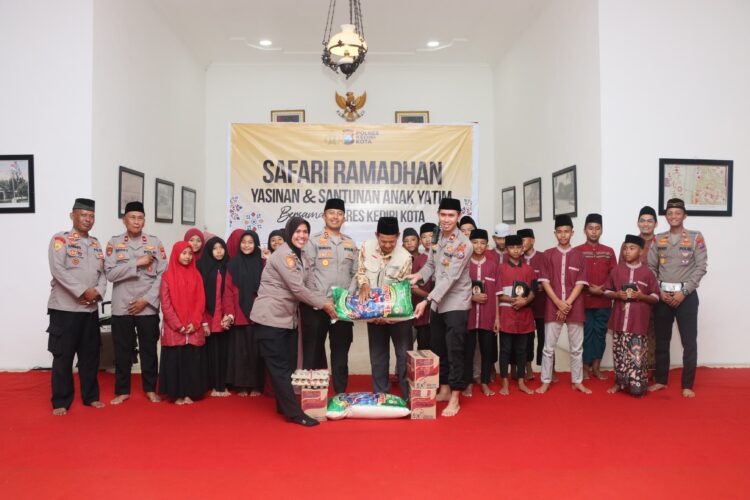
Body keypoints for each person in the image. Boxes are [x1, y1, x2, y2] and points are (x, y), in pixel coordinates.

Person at [249, 217, 337, 426]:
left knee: (288, 366)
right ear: (289, 233)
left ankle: (283, 406)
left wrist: (331, 301)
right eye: (298, 231)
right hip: (270, 319)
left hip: (287, 320)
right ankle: (294, 413)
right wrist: (325, 305)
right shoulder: (283, 255)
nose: (302, 235)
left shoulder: (303, 255)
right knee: (280, 368)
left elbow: (310, 286)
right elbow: (297, 289)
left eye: (305, 232)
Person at [408, 198, 472, 417]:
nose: (446, 219)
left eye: (451, 215)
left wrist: (427, 300)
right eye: (443, 215)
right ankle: (444, 389)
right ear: (438, 214)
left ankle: (455, 396)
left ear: (458, 217)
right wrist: (418, 276)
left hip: (456, 301)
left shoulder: (464, 244)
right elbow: (430, 264)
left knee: (455, 350)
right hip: (438, 301)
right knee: (439, 348)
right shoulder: (436, 234)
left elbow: (450, 278)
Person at [46, 198, 107, 416]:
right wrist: (82, 291)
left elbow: (103, 273)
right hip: (65, 310)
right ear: (72, 216)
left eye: (91, 216)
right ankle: (61, 400)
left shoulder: (95, 244)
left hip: (89, 310)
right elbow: (58, 270)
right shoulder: (60, 240)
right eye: (83, 215)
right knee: (63, 356)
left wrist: (97, 292)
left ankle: (91, 396)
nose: (88, 219)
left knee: (90, 355)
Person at [105, 201, 167, 405]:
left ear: (144, 221)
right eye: (132, 217)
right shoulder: (115, 243)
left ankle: (150, 389)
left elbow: (163, 275)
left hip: (147, 306)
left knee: (149, 350)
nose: (136, 221)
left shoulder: (154, 243)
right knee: (122, 350)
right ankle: (122, 391)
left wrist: (146, 300)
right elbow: (110, 274)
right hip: (122, 305)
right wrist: (136, 263)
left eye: (140, 218)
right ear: (124, 220)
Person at [647, 198, 708, 398]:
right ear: (666, 216)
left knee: (689, 342)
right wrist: (659, 291)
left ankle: (687, 384)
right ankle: (661, 380)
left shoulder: (695, 237)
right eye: (670, 213)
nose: (673, 216)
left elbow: (701, 267)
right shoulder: (658, 239)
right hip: (663, 296)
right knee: (662, 340)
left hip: (686, 296)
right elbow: (651, 268)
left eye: (677, 213)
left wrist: (685, 291)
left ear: (684, 215)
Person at [302, 198, 358, 394]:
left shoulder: (350, 243)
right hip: (317, 307)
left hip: (342, 308)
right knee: (313, 353)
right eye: (331, 213)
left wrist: (345, 298)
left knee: (341, 355)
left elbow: (356, 274)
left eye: (339, 213)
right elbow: (307, 275)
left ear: (344, 217)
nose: (335, 216)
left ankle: (341, 395)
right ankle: (311, 396)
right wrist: (322, 301)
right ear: (323, 216)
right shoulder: (313, 241)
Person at [354, 217, 413, 400]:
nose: (387, 245)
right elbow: (361, 272)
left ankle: (408, 396)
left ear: (398, 236)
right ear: (376, 235)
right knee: (378, 357)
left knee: (404, 356)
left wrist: (388, 314)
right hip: (374, 314)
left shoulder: (405, 257)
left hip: (398, 315)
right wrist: (364, 285)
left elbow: (402, 290)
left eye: (392, 241)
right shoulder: (366, 247)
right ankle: (381, 395)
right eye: (383, 241)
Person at [536, 214, 591, 395]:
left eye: (566, 231)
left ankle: (577, 381)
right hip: (553, 305)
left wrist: (566, 304)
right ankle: (545, 381)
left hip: (575, 305)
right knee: (548, 348)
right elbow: (545, 282)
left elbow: (580, 283)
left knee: (577, 348)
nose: (563, 235)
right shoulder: (547, 255)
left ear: (572, 233)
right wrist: (559, 303)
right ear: (555, 233)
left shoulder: (579, 256)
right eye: (559, 232)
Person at [604, 235, 659, 397]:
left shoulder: (647, 273)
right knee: (619, 354)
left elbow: (656, 296)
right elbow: (606, 291)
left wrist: (642, 296)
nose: (627, 251)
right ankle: (619, 383)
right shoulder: (617, 270)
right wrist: (617, 294)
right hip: (619, 321)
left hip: (637, 323)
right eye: (625, 248)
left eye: (632, 248)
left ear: (641, 252)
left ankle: (637, 385)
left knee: (637, 356)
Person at [158, 241, 208, 404]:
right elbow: (165, 304)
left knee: (191, 361)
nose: (187, 257)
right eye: (183, 253)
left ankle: (189, 393)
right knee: (176, 360)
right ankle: (177, 394)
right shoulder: (167, 276)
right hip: (174, 328)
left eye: (190, 254)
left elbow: (201, 300)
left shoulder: (197, 275)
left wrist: (195, 322)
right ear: (176, 254)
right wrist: (178, 325)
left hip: (193, 327)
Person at [224, 230, 265, 396]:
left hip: (258, 314)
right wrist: (229, 313)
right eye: (243, 242)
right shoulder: (232, 264)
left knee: (256, 351)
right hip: (239, 313)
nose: (246, 245)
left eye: (250, 242)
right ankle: (241, 385)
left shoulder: (263, 263)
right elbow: (227, 291)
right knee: (240, 351)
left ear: (256, 244)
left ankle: (256, 385)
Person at [576, 213, 616, 380]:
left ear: (601, 230)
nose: (594, 231)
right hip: (583, 301)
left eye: (597, 228)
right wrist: (589, 288)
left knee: (600, 334)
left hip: (603, 301)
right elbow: (574, 275)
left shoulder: (608, 252)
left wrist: (603, 288)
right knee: (585, 335)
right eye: (590, 228)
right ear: (584, 230)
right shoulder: (577, 251)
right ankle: (585, 367)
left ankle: (596, 368)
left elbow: (614, 275)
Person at [495, 235, 536, 396]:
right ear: (506, 249)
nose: (516, 250)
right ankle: (504, 381)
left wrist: (525, 301)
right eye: (512, 247)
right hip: (506, 315)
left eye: (518, 247)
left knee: (522, 350)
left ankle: (521, 381)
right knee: (505, 349)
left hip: (524, 315)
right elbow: (497, 294)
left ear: (522, 249)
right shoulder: (500, 269)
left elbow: (533, 292)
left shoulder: (529, 270)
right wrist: (513, 300)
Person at [620, 205, 659, 372]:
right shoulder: (629, 244)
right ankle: (632, 369)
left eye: (650, 221)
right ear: (638, 223)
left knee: (654, 332)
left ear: (656, 224)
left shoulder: (661, 243)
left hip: (655, 295)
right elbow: (621, 270)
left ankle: (651, 369)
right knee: (632, 333)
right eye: (642, 221)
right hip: (633, 298)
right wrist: (623, 297)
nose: (646, 224)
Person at [197, 237, 233, 397]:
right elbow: (199, 295)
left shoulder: (229, 266)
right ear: (209, 250)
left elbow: (230, 293)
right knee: (210, 352)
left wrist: (228, 315)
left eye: (221, 247)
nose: (219, 251)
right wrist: (203, 321)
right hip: (208, 315)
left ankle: (222, 385)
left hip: (223, 315)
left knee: (224, 351)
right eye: (214, 248)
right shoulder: (201, 266)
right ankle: (212, 385)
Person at [466, 229, 499, 397]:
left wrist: (497, 318)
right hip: (469, 316)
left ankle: (485, 382)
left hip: (488, 316)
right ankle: (468, 383)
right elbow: (458, 290)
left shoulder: (493, 266)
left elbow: (497, 294)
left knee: (487, 351)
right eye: (475, 242)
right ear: (469, 244)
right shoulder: (464, 265)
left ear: (487, 245)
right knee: (468, 351)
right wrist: (472, 297)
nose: (479, 246)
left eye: (482, 243)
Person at [519, 228, 547, 381]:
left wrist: (543, 286)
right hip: (525, 306)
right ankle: (528, 367)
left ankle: (547, 369)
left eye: (524, 240)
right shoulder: (518, 259)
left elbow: (549, 278)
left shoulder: (543, 257)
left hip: (542, 305)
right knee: (527, 338)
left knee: (544, 337)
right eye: (520, 240)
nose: (521, 243)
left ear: (533, 240)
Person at [411, 223, 435, 349]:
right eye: (424, 237)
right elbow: (413, 288)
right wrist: (430, 297)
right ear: (420, 240)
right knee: (423, 345)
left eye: (431, 236)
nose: (428, 239)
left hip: (440, 311)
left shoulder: (444, 258)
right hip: (423, 312)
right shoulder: (418, 260)